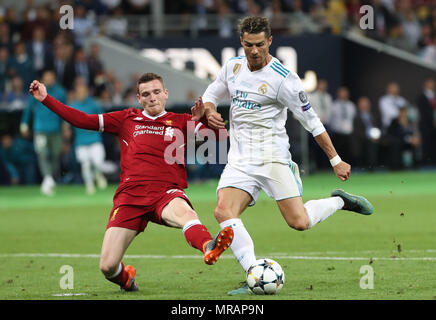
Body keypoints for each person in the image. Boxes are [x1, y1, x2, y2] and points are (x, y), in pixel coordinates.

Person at [193, 16, 374, 295]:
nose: (254, 51)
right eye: (249, 45)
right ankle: (254, 274)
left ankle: (339, 201)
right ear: (241, 42)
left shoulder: (284, 79)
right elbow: (211, 93)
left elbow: (312, 122)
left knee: (298, 222)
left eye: (260, 45)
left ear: (270, 42)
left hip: (272, 158)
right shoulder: (232, 67)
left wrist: (336, 160)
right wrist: (210, 110)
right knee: (223, 211)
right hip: (240, 160)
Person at [28, 72, 233, 292]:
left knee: (186, 214)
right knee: (107, 266)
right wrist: (46, 99)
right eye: (146, 94)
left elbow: (221, 137)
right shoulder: (126, 118)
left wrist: (204, 118)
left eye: (156, 92)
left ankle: (209, 245)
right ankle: (126, 279)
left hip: (165, 193)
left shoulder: (182, 121)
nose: (152, 97)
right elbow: (82, 120)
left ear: (165, 94)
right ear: (139, 98)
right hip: (130, 198)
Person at [20, 69, 67, 196]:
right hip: (40, 129)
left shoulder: (61, 92)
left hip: (55, 130)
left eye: (51, 76)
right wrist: (24, 124)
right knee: (42, 154)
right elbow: (29, 109)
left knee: (56, 155)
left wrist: (66, 127)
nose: (49, 79)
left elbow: (66, 110)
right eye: (47, 76)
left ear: (54, 78)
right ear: (43, 78)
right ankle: (47, 178)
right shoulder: (37, 90)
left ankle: (49, 178)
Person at [70, 82, 108, 195]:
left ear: (87, 93)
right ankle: (89, 185)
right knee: (85, 165)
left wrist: (94, 126)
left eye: (83, 92)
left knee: (98, 162)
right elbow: (68, 121)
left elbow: (103, 119)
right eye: (79, 92)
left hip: (94, 139)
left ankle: (98, 175)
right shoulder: (73, 106)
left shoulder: (94, 104)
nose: (81, 94)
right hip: (81, 141)